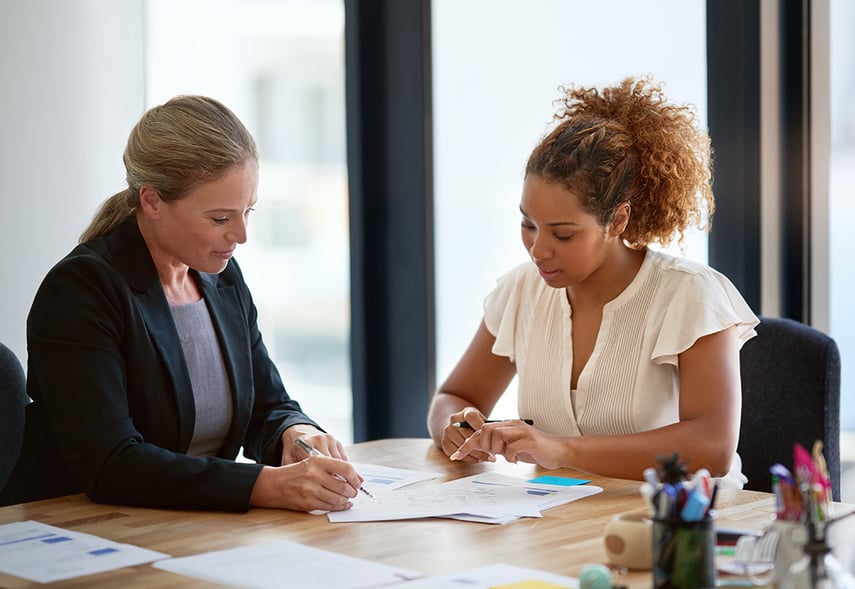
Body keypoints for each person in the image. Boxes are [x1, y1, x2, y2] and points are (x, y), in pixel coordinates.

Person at [0, 95, 362, 512]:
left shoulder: (220, 277)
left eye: (249, 211)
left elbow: (268, 406)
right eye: (220, 219)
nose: (241, 235)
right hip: (79, 533)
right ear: (152, 201)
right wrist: (266, 486)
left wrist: (295, 433)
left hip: (188, 530)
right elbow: (112, 465)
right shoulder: (81, 290)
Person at [427, 76, 759, 488]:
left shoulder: (690, 295)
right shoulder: (521, 291)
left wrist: (560, 450)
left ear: (618, 220)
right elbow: (452, 398)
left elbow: (714, 447)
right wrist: (456, 427)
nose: (538, 250)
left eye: (562, 234)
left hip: (680, 527)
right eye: (528, 225)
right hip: (561, 523)